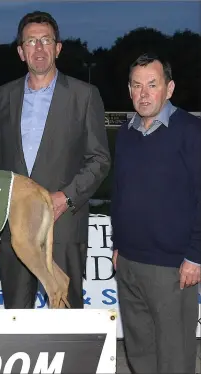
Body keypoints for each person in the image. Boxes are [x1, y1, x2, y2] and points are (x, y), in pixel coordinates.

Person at [0, 11, 111, 309]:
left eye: (46, 40)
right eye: (31, 41)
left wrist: (65, 198)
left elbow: (99, 159)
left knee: (66, 314)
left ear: (58, 48)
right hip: (13, 224)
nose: (39, 48)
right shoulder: (2, 96)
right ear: (21, 51)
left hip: (64, 223)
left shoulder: (85, 95)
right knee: (17, 316)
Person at [111, 53, 201, 373]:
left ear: (170, 88)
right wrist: (117, 245)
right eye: (137, 85)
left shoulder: (191, 131)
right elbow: (119, 193)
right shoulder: (125, 134)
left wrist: (196, 255)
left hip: (173, 267)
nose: (144, 93)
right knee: (139, 351)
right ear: (129, 90)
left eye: (152, 84)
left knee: (174, 356)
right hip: (130, 263)